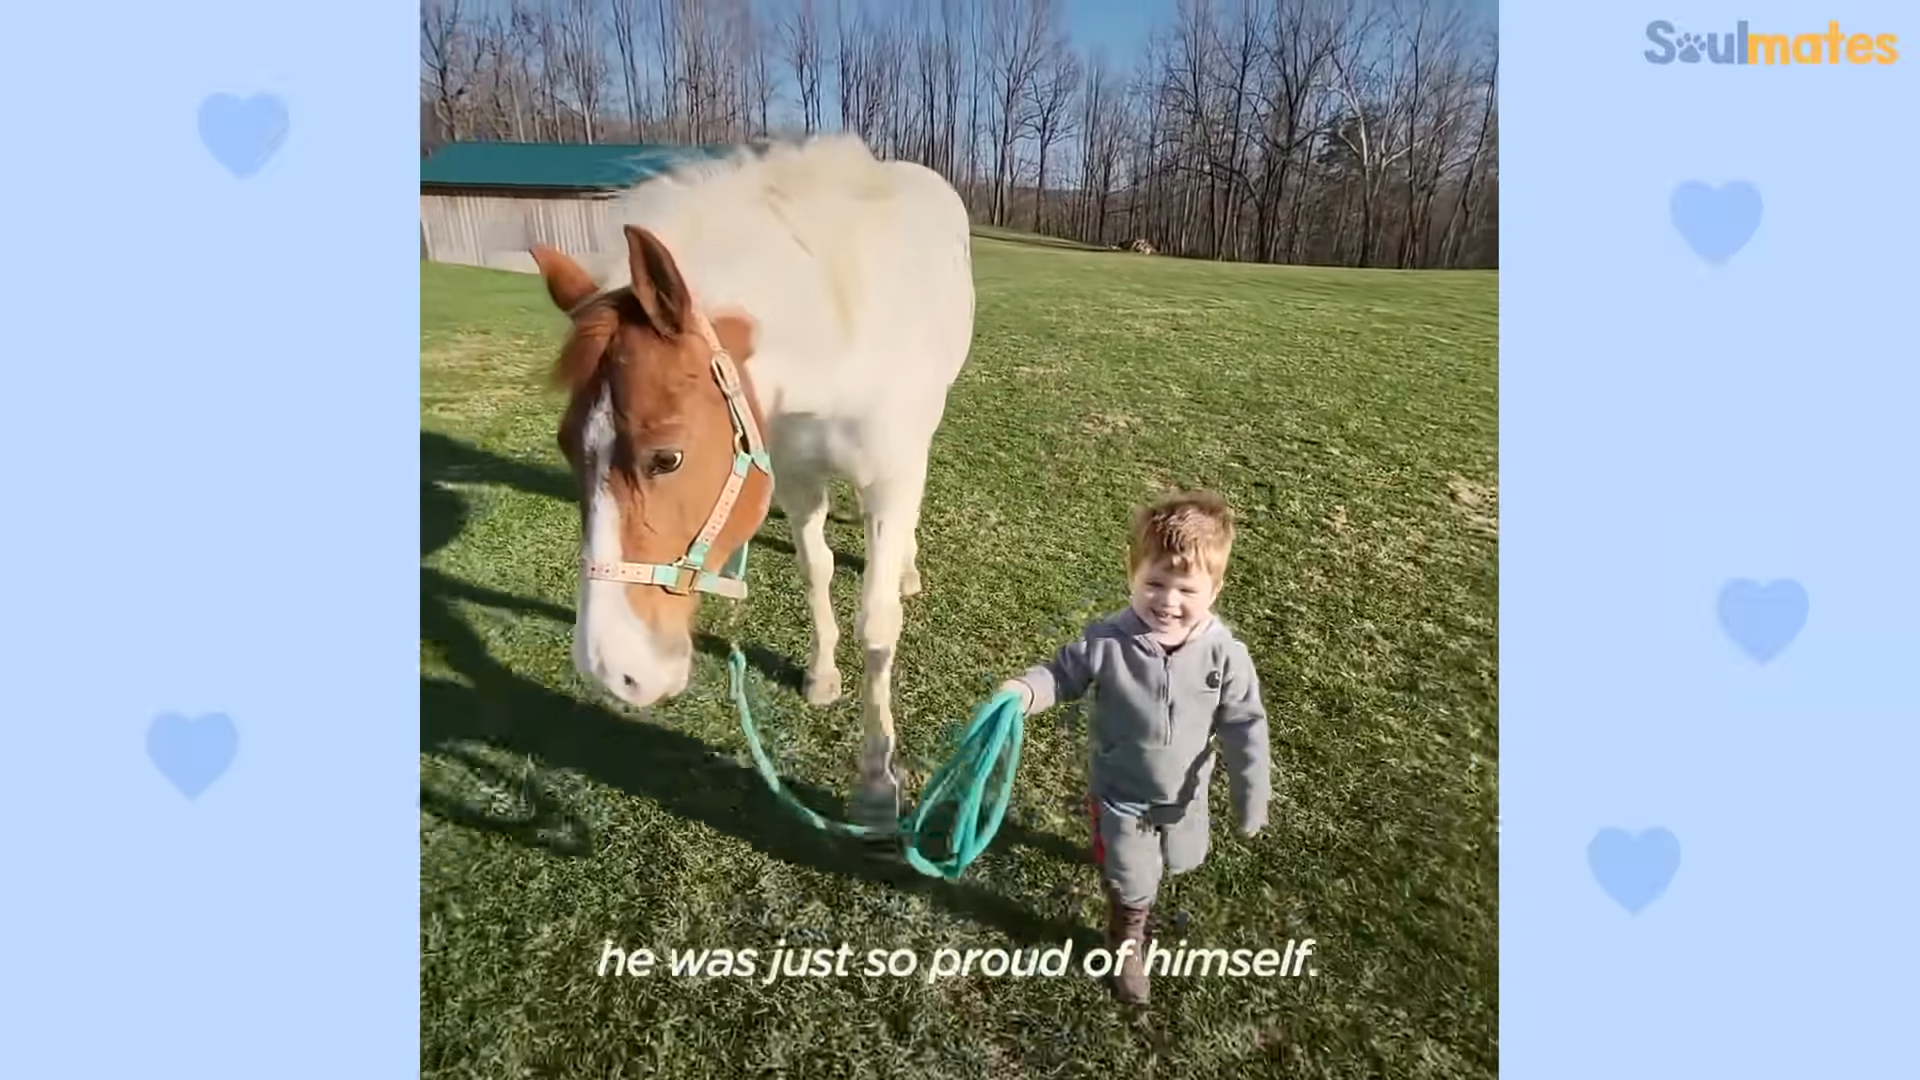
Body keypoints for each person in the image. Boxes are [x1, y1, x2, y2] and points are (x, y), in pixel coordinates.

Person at [999, 490, 1272, 1004]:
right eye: (1154, 584)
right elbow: (1062, 673)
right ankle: (1127, 935)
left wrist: (1251, 796)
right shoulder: (1107, 641)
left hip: (1184, 796)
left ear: (1215, 588)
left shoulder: (1226, 656)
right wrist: (1025, 690)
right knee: (1132, 877)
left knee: (1182, 857)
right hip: (1120, 789)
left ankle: (1131, 875)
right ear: (1132, 573)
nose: (1168, 601)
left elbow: (1245, 727)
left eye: (1186, 589)